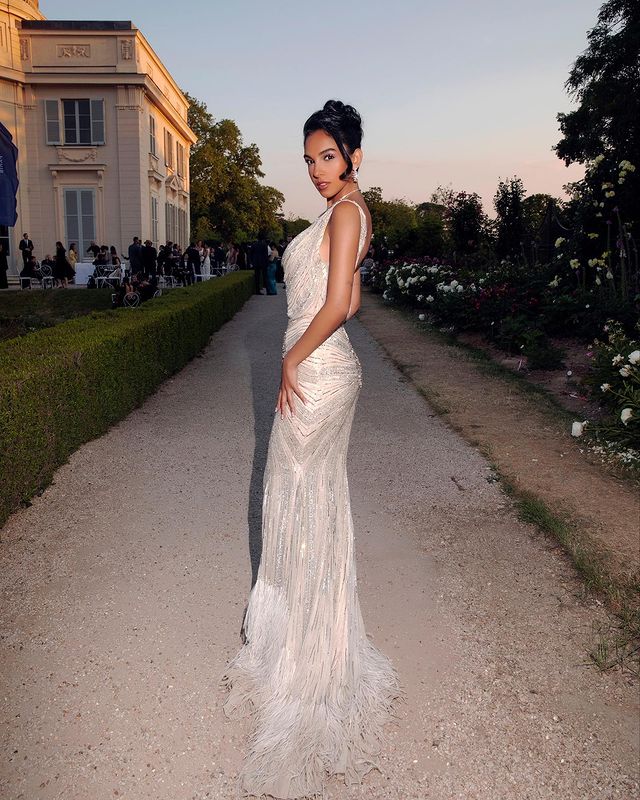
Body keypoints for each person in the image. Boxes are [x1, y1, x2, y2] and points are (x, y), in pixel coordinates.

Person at [219, 100, 404, 798]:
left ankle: (307, 661)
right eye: (309, 159)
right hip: (329, 371)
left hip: (318, 374)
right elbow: (350, 303)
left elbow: (333, 308)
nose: (317, 170)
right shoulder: (348, 214)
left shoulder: (348, 213)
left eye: (328, 156)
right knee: (307, 505)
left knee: (296, 502)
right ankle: (309, 644)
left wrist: (292, 357)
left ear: (354, 155)